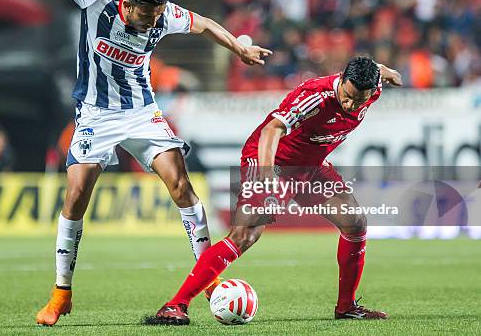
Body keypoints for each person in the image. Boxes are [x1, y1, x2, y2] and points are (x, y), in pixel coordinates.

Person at [0, 0, 272, 326]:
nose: (155, 22)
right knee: (77, 195)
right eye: (148, 15)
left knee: (181, 185)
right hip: (96, 115)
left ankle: (209, 279)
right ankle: (61, 293)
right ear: (129, 5)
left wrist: (237, 48)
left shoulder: (163, 16)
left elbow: (202, 24)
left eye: (159, 15)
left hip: (141, 113)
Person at [147, 56, 403, 325]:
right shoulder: (315, 97)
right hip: (272, 160)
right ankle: (175, 305)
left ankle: (347, 306)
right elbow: (272, 130)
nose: (351, 104)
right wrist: (267, 178)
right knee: (245, 235)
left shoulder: (371, 86)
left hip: (309, 167)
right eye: (348, 96)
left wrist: (392, 73)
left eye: (359, 100)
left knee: (355, 223)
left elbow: (381, 70)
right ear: (341, 80)